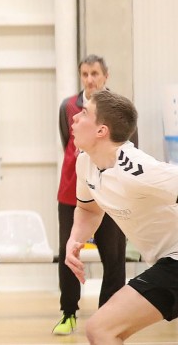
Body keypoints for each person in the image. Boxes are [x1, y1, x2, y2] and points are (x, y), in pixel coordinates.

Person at [65, 90, 178, 344]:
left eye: (84, 113)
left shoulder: (135, 169)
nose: (75, 118)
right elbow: (88, 209)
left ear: (101, 130)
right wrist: (75, 239)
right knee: (103, 330)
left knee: (101, 329)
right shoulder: (85, 163)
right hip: (165, 262)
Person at [53, 55, 136, 336]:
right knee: (69, 252)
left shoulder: (119, 108)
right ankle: (68, 313)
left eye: (95, 74)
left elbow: (129, 148)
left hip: (109, 195)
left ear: (106, 76)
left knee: (114, 257)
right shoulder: (68, 107)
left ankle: (108, 317)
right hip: (72, 194)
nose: (90, 79)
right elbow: (69, 142)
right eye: (85, 74)